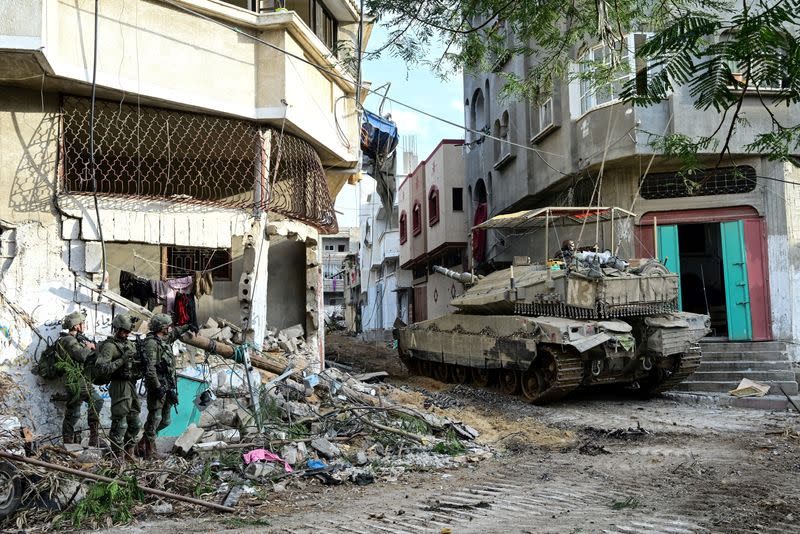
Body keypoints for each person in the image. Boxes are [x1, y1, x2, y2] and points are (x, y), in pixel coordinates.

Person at [138, 314, 196, 459]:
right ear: (162, 328)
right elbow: (150, 369)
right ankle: (150, 451)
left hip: (168, 386)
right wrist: (157, 387)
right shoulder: (151, 343)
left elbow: (175, 332)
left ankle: (142, 443)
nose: (170, 328)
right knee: (155, 418)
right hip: (157, 386)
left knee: (165, 420)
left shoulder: (164, 339)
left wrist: (188, 325)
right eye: (168, 326)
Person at [94, 313, 141, 461]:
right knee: (120, 423)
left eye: (128, 332)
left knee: (135, 422)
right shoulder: (110, 346)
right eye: (124, 331)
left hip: (131, 385)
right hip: (118, 385)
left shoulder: (129, 344)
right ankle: (117, 455)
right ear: (117, 329)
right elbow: (102, 369)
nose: (126, 334)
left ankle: (129, 452)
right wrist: (122, 360)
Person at [57, 311, 103, 446]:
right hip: (75, 380)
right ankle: (68, 442)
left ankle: (94, 439)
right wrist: (90, 348)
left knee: (97, 401)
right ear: (77, 326)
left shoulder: (77, 339)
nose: (84, 325)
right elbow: (82, 355)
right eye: (82, 323)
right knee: (73, 412)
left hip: (83, 379)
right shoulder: (68, 340)